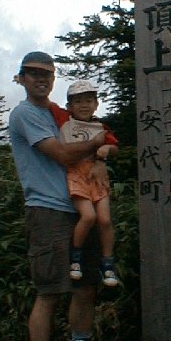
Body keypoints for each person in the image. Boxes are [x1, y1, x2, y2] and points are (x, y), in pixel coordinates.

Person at [9, 51, 113, 341]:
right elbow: (65, 155)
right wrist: (100, 143)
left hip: (79, 206)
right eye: (33, 73)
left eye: (47, 74)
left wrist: (99, 159)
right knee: (50, 290)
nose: (41, 78)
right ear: (21, 78)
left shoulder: (60, 115)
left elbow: (86, 150)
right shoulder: (25, 114)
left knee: (85, 286)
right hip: (48, 210)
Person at [48, 80, 120, 287]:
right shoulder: (64, 120)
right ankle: (76, 259)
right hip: (76, 174)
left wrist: (106, 151)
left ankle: (107, 264)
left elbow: (114, 146)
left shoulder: (100, 127)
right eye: (78, 101)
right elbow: (48, 104)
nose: (84, 105)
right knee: (88, 216)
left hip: (96, 177)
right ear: (69, 106)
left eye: (89, 100)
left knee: (105, 220)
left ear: (96, 104)